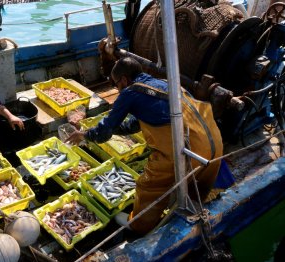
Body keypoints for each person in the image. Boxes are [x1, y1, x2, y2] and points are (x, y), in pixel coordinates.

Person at [66, 57, 223, 235]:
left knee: (149, 185)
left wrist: (85, 135)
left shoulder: (129, 92)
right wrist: (115, 129)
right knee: (200, 185)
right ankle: (193, 212)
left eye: (115, 84)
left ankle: (138, 224)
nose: (117, 88)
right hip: (214, 140)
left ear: (124, 80)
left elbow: (104, 132)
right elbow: (134, 125)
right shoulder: (161, 83)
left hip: (187, 147)